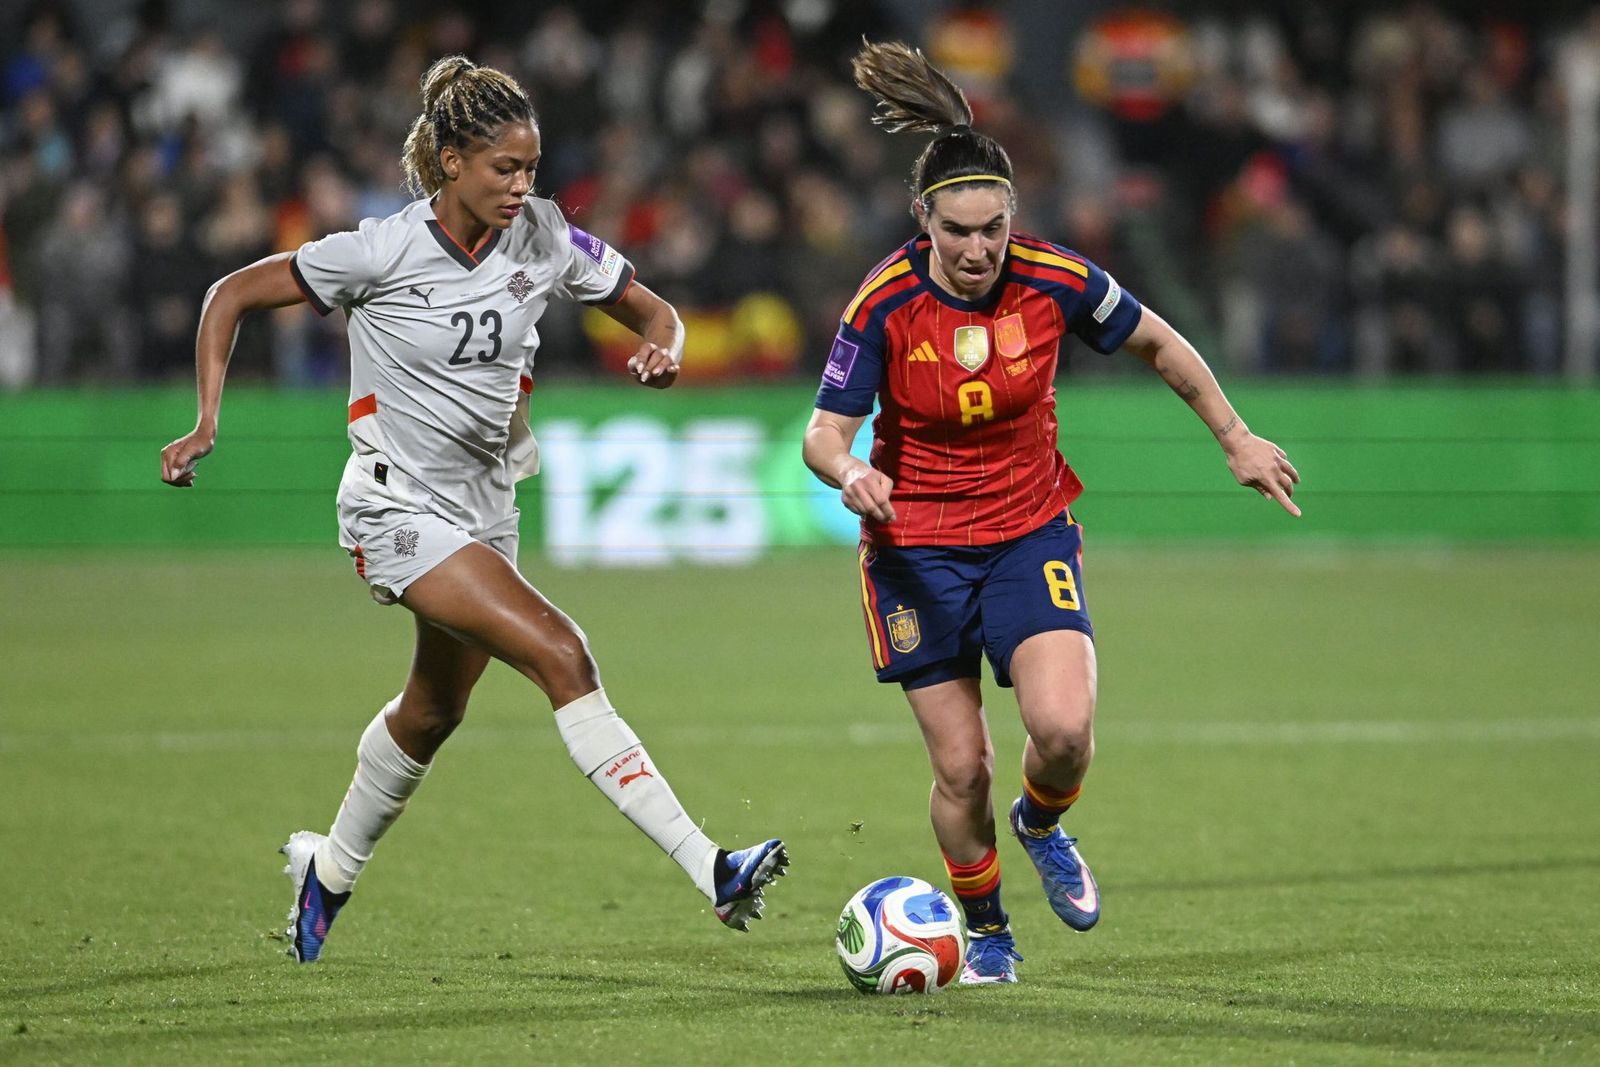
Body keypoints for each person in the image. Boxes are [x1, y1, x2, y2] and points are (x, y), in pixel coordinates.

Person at [159, 55, 787, 963]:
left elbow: (660, 314)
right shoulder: (378, 251)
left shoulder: (546, 236)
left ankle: (327, 871)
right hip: (394, 507)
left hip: (486, 511)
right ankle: (712, 868)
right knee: (563, 653)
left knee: (432, 710)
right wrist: (207, 418)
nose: (522, 185)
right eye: (505, 168)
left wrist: (665, 349)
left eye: (532, 168)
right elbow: (230, 295)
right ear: (450, 160)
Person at [802, 41, 1299, 986]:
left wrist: (1234, 436)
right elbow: (823, 433)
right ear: (924, 219)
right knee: (962, 768)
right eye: (958, 230)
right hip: (915, 553)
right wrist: (850, 472)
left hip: (1029, 531)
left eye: (993, 227)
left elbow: (1158, 341)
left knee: (1063, 734)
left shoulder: (1055, 278)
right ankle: (986, 932)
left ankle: (1041, 822)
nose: (979, 249)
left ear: (1011, 217)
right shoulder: (884, 302)